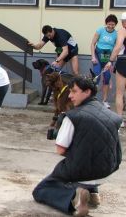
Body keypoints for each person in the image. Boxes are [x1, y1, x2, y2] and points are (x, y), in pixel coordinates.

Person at [32, 76, 122, 217]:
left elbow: (60, 150)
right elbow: (111, 145)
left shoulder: (72, 116)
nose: (70, 95)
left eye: (74, 91)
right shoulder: (115, 117)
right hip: (107, 171)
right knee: (96, 155)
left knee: (41, 190)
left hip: (80, 171)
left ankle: (74, 200)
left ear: (87, 92)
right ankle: (93, 193)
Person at [90, 14, 118, 109]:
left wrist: (113, 60)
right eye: (109, 24)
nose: (110, 26)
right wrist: (93, 56)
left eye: (113, 24)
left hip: (108, 58)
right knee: (96, 76)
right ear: (106, 24)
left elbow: (116, 48)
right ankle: (92, 99)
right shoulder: (100, 30)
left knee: (106, 78)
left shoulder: (116, 34)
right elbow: (93, 43)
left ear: (115, 25)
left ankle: (105, 101)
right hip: (98, 55)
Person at [104, 12, 126, 127]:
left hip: (123, 61)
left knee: (119, 93)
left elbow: (117, 47)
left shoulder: (122, 31)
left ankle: (120, 120)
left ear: (123, 22)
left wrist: (110, 61)